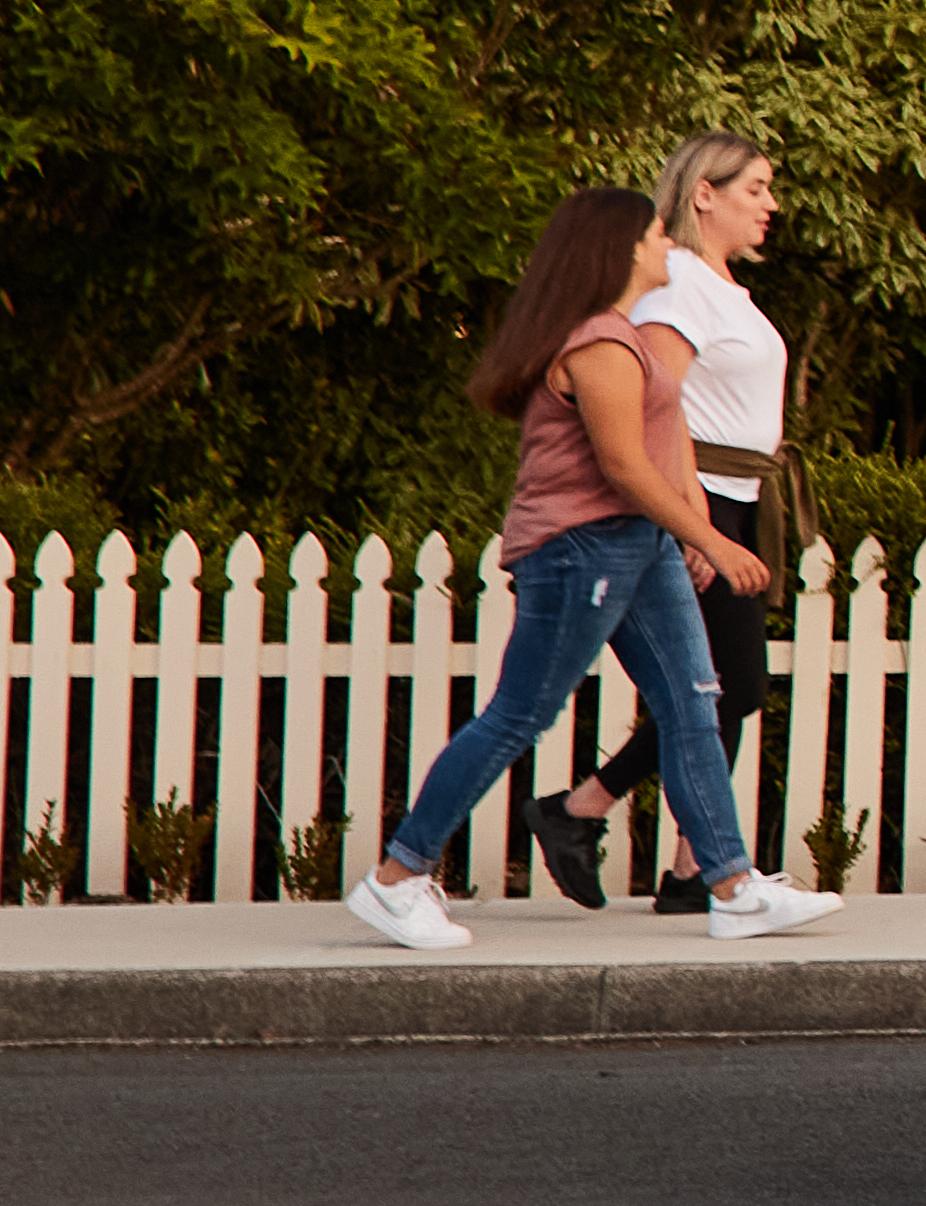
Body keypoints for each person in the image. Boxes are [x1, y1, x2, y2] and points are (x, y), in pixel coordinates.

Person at [348, 187, 836, 952]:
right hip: (580, 546)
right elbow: (621, 466)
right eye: (653, 234)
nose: (668, 245)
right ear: (617, 249)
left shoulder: (631, 337)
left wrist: (684, 535)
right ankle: (396, 877)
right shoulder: (598, 345)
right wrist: (712, 542)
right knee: (520, 714)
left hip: (639, 545)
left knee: (694, 703)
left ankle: (734, 888)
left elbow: (668, 430)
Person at [522, 134, 795, 914]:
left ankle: (686, 871)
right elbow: (656, 403)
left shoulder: (722, 289)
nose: (769, 205)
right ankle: (589, 813)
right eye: (756, 188)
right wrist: (695, 523)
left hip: (738, 495)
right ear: (704, 194)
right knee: (722, 685)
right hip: (700, 497)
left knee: (719, 687)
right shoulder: (676, 286)